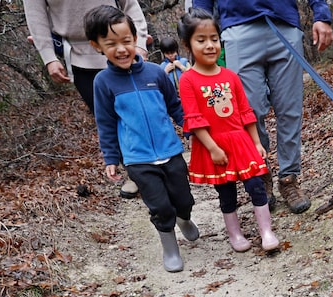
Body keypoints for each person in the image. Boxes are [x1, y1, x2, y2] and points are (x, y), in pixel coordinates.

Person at [192, 0, 333, 214]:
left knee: (289, 108)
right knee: (249, 110)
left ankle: (289, 178)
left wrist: (321, 14)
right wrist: (200, 34)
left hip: (284, 22)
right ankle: (261, 172)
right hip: (237, 27)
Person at [86, 5, 199, 272]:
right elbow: (106, 122)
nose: (122, 48)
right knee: (160, 205)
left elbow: (174, 105)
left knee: (183, 198)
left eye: (127, 41)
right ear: (97, 46)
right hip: (138, 158)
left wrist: (190, 127)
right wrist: (111, 158)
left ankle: (184, 218)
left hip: (170, 150)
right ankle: (170, 247)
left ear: (136, 39)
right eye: (111, 43)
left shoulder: (155, 73)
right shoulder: (103, 82)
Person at [23, 0, 149, 199]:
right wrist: (49, 57)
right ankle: (135, 173)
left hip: (121, 47)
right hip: (79, 56)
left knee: (137, 111)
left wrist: (139, 42)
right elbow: (36, 15)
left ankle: (156, 163)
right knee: (109, 119)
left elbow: (130, 4)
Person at [178, 8, 279, 253]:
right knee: (226, 192)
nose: (210, 45)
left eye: (214, 39)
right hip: (213, 144)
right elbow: (194, 119)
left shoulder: (231, 76)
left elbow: (246, 112)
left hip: (241, 141)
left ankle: (266, 231)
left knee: (256, 184)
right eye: (201, 40)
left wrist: (256, 143)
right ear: (187, 44)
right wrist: (212, 148)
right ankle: (235, 234)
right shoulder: (188, 80)